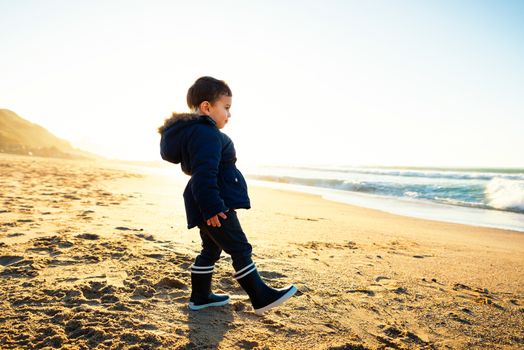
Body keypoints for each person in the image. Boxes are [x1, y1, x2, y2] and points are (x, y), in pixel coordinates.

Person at [158, 76, 297, 316]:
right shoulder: (206, 134)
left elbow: (203, 173)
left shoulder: (197, 133)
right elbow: (205, 172)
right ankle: (260, 296)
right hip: (213, 202)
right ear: (206, 107)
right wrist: (212, 207)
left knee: (211, 250)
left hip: (205, 200)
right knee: (240, 248)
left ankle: (201, 296)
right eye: (227, 107)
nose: (229, 115)